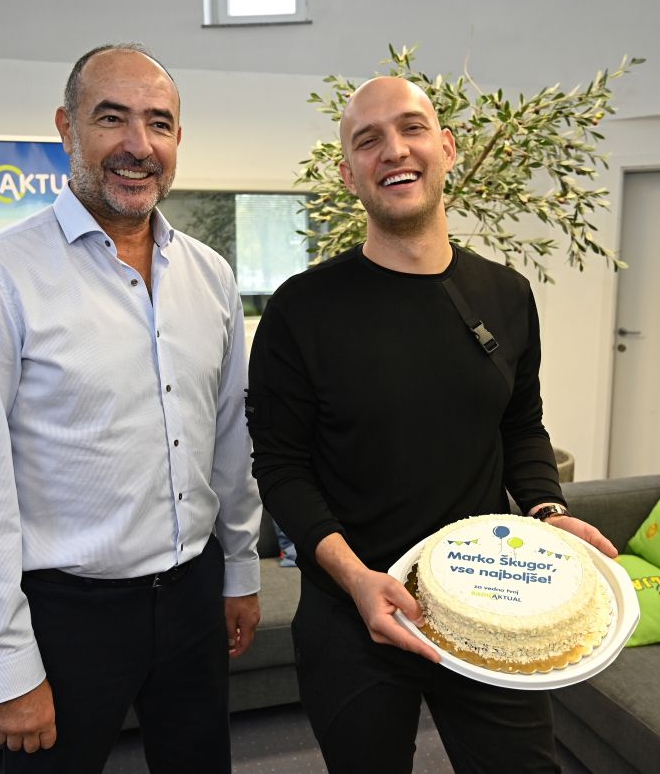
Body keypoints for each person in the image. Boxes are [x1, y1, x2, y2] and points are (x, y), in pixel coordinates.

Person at [246, 76, 617, 774]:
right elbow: (281, 466)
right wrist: (355, 577)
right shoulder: (302, 309)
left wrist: (547, 509)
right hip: (352, 612)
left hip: (488, 601)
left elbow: (521, 426)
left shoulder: (505, 294)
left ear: (445, 148)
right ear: (348, 173)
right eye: (368, 140)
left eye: (411, 128)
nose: (394, 150)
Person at [0, 43, 262, 773]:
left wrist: (240, 568)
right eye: (112, 118)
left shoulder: (210, 275)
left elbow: (230, 439)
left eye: (159, 123)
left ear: (177, 139)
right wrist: (9, 665)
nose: (138, 144)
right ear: (66, 127)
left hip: (193, 594)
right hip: (66, 616)